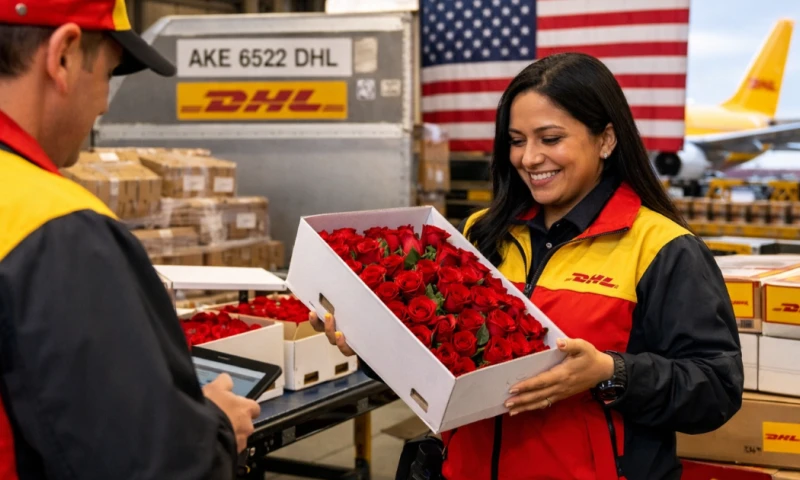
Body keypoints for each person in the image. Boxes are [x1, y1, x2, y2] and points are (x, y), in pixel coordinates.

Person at [311, 52, 744, 480]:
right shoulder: (481, 233)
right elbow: (437, 362)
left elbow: (716, 389)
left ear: (606, 139)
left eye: (550, 139)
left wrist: (611, 373)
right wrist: (371, 342)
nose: (530, 158)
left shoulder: (663, 248)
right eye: (517, 141)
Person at [0, 1, 261, 478]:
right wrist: (217, 430)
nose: (103, 103)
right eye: (109, 75)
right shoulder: (56, 233)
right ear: (63, 57)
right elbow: (150, 466)